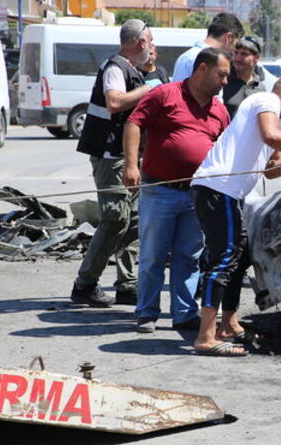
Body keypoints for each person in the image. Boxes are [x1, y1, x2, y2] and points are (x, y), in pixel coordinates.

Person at [190, 74, 281, 356]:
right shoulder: (266, 100)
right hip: (219, 188)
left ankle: (228, 324)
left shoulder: (274, 120)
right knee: (224, 259)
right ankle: (206, 336)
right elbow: (270, 136)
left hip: (227, 192)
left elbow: (270, 168)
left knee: (238, 259)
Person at [123, 48, 231, 334]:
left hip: (197, 194)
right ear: (202, 69)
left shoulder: (219, 109)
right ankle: (146, 312)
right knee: (152, 255)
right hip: (160, 191)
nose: (224, 82)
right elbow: (134, 123)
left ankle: (183, 313)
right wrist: (131, 165)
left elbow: (226, 148)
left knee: (189, 257)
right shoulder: (165, 94)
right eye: (221, 74)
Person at [71, 19, 157, 308]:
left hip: (127, 158)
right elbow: (115, 102)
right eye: (151, 41)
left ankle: (128, 283)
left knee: (133, 220)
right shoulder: (115, 68)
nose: (152, 48)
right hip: (111, 158)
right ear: (141, 43)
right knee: (114, 219)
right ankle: (85, 285)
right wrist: (149, 90)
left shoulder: (133, 71)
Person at [172, 12, 243, 82]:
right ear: (229, 37)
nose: (234, 50)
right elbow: (179, 92)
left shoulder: (188, 57)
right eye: (235, 43)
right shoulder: (193, 58)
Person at [223, 35, 267, 119]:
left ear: (256, 58)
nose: (238, 58)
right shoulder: (223, 81)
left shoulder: (260, 88)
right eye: (236, 53)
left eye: (244, 54)